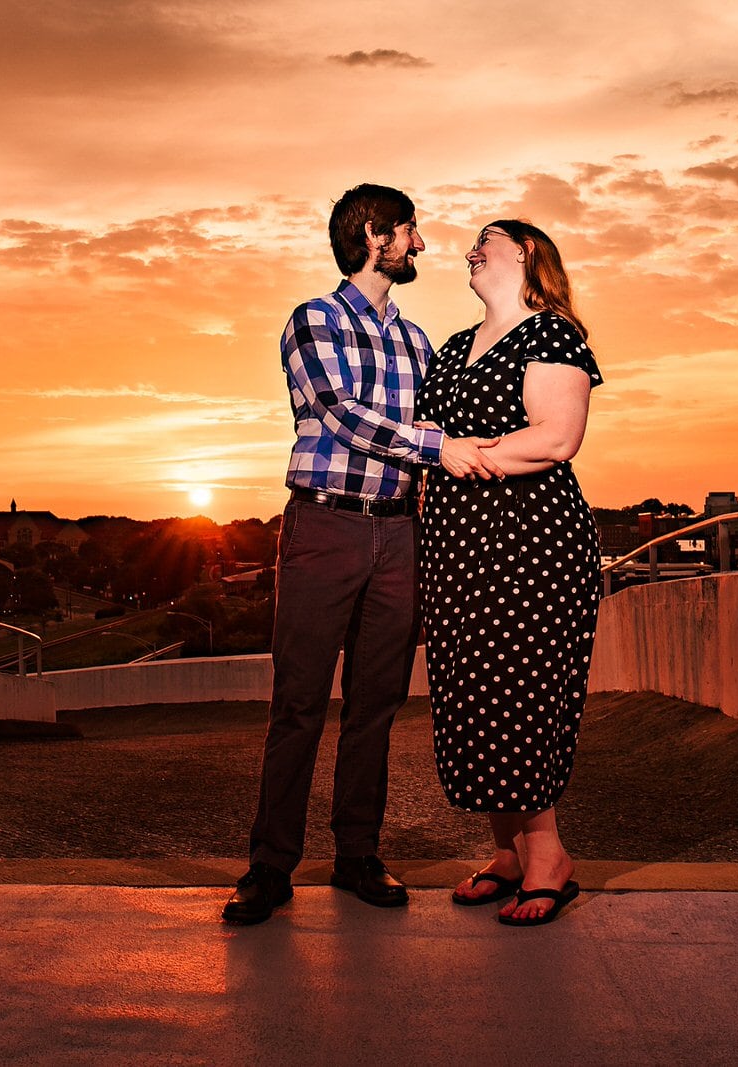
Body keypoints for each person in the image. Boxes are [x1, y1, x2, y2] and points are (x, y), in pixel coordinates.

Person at [223, 184, 505, 925]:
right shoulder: (312, 319)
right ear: (376, 235)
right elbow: (342, 416)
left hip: (400, 533)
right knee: (298, 704)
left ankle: (357, 855)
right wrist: (438, 447)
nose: (421, 244)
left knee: (376, 705)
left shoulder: (418, 342)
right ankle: (270, 866)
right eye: (410, 230)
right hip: (324, 528)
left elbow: (448, 424)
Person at [415, 219, 603, 926]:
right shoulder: (454, 347)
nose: (472, 247)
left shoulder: (551, 334)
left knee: (516, 690)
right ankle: (507, 853)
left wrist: (464, 453)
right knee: (468, 693)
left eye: (487, 237)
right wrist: (446, 454)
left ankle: (549, 857)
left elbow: (556, 437)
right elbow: (428, 439)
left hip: (529, 540)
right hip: (456, 542)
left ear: (525, 253)